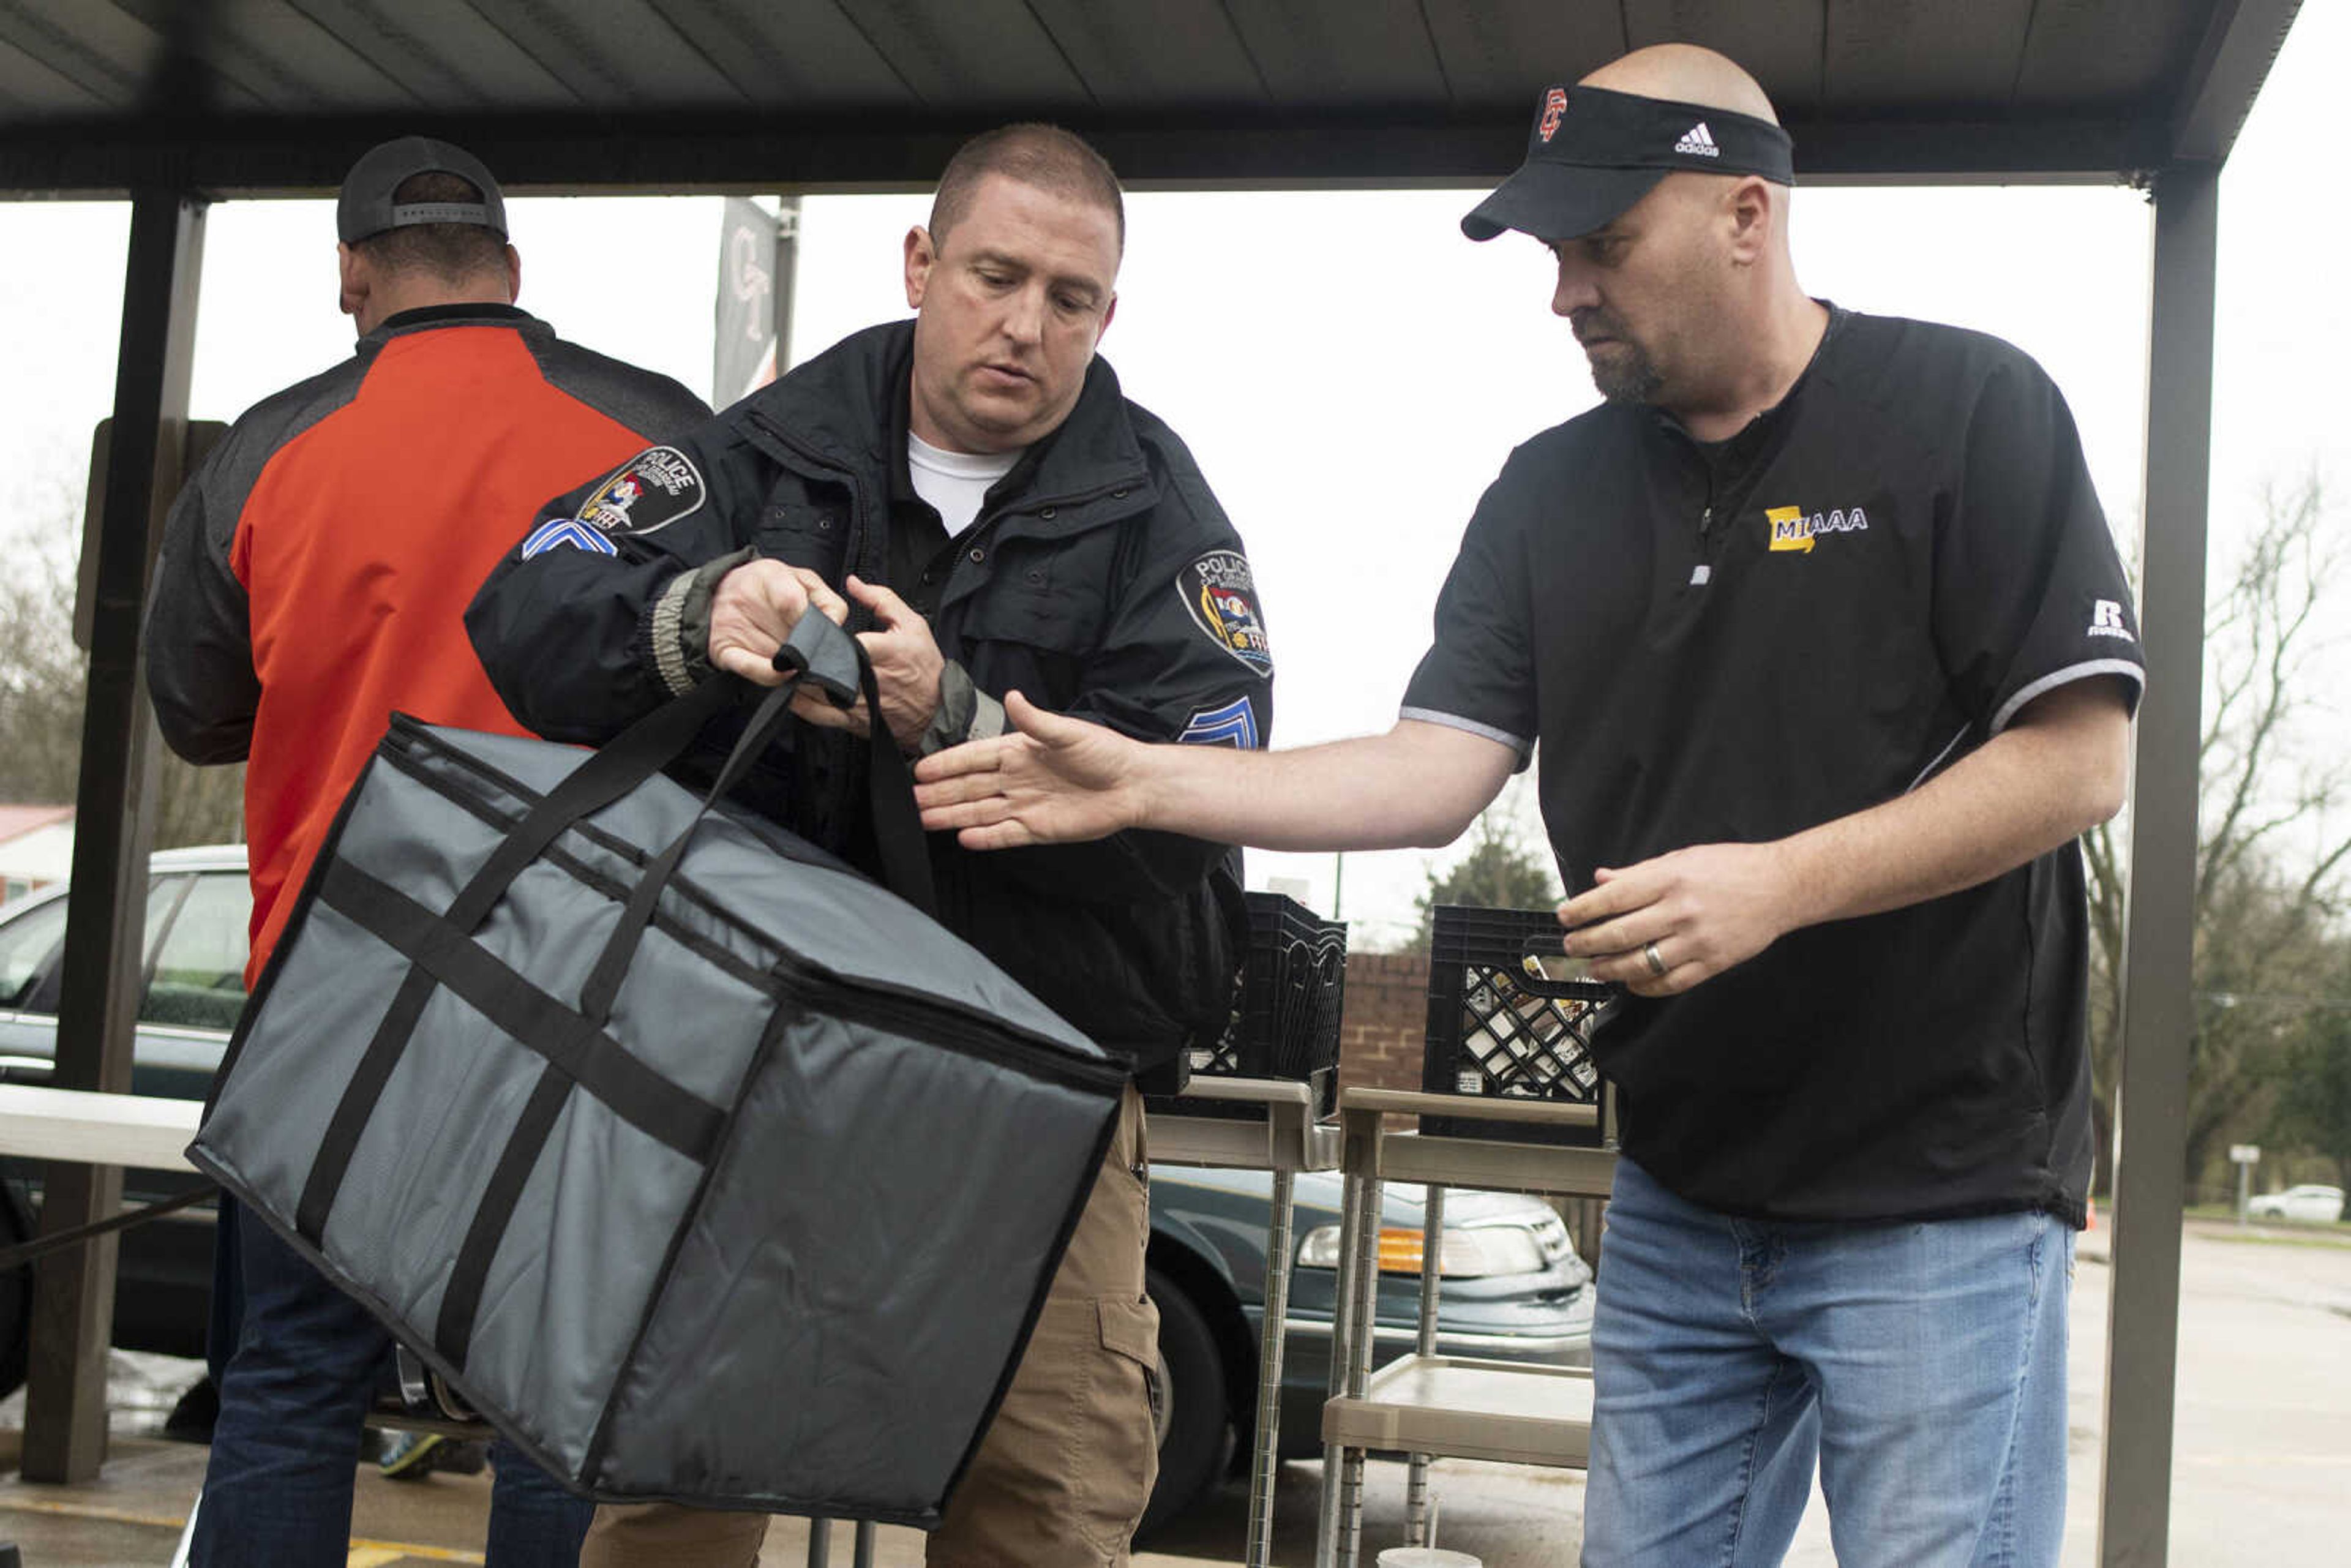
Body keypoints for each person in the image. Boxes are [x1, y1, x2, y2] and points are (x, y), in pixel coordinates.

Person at [913, 45, 2141, 1568]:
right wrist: (1145, 780)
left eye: (1606, 245)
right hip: (1684, 1188)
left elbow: (2079, 761)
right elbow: (1433, 772)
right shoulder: (1549, 491)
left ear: (1749, 215)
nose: (1566, 290)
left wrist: (1779, 885)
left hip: (1938, 1192)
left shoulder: (1971, 409)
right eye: (1557, 251)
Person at [464, 124, 1269, 1567]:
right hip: (750, 1063)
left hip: (1046, 1090)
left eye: (1071, 298)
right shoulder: (764, 448)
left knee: (1045, 1500)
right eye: (995, 276)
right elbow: (529, 595)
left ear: (1109, 314)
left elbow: (1202, 793)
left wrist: (950, 715)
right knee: (676, 1470)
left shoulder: (1162, 517)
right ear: (921, 262)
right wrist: (693, 613)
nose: (1026, 325)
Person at [146, 135, 710, 1567]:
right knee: (545, 1411)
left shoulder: (263, 452)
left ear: (352, 276)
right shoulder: (655, 439)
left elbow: (195, 709)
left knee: (289, 1389)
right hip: (583, 1004)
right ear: (512, 274)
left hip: (325, 998)